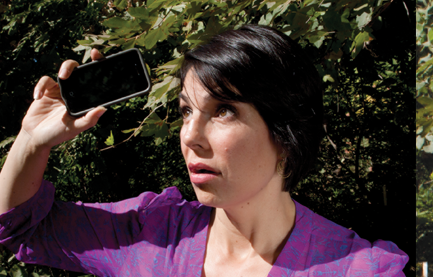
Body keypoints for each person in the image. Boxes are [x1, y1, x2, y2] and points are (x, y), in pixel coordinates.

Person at [0, 24, 407, 276]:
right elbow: (21, 227)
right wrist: (30, 142)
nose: (190, 135)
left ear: (285, 131)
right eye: (185, 110)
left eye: (223, 110)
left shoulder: (359, 269)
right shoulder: (151, 235)